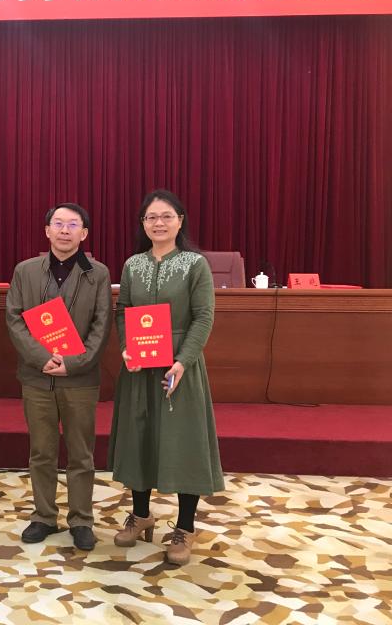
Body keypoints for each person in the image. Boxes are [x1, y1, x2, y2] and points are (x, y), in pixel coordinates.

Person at [108, 189, 224, 566]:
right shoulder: (132, 264)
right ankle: (141, 514)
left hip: (180, 368)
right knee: (138, 437)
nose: (158, 223)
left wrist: (183, 361)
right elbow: (124, 311)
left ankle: (185, 527)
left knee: (183, 442)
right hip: (139, 367)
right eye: (151, 217)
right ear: (143, 224)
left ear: (180, 220)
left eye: (166, 216)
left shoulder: (195, 264)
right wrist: (126, 348)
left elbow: (203, 317)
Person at [5, 203, 111, 551]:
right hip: (37, 377)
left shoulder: (98, 274)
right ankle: (44, 516)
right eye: (59, 223)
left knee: (81, 454)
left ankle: (81, 519)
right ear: (47, 230)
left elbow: (101, 325)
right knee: (41, 451)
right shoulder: (25, 271)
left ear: (84, 233)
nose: (65, 230)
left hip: (80, 378)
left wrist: (74, 363)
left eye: (73, 225)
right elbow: (15, 319)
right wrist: (41, 358)